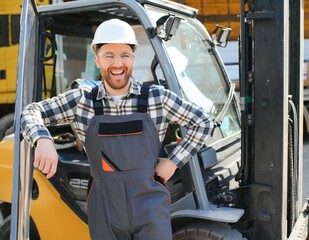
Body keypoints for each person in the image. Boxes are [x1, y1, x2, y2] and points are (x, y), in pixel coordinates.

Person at [21, 18, 213, 239]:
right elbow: (30, 112)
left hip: (149, 206)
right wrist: (42, 139)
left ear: (133, 57)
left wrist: (173, 162)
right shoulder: (81, 101)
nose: (117, 64)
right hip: (104, 208)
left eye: (124, 55)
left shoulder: (157, 98)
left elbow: (202, 122)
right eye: (109, 56)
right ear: (97, 59)